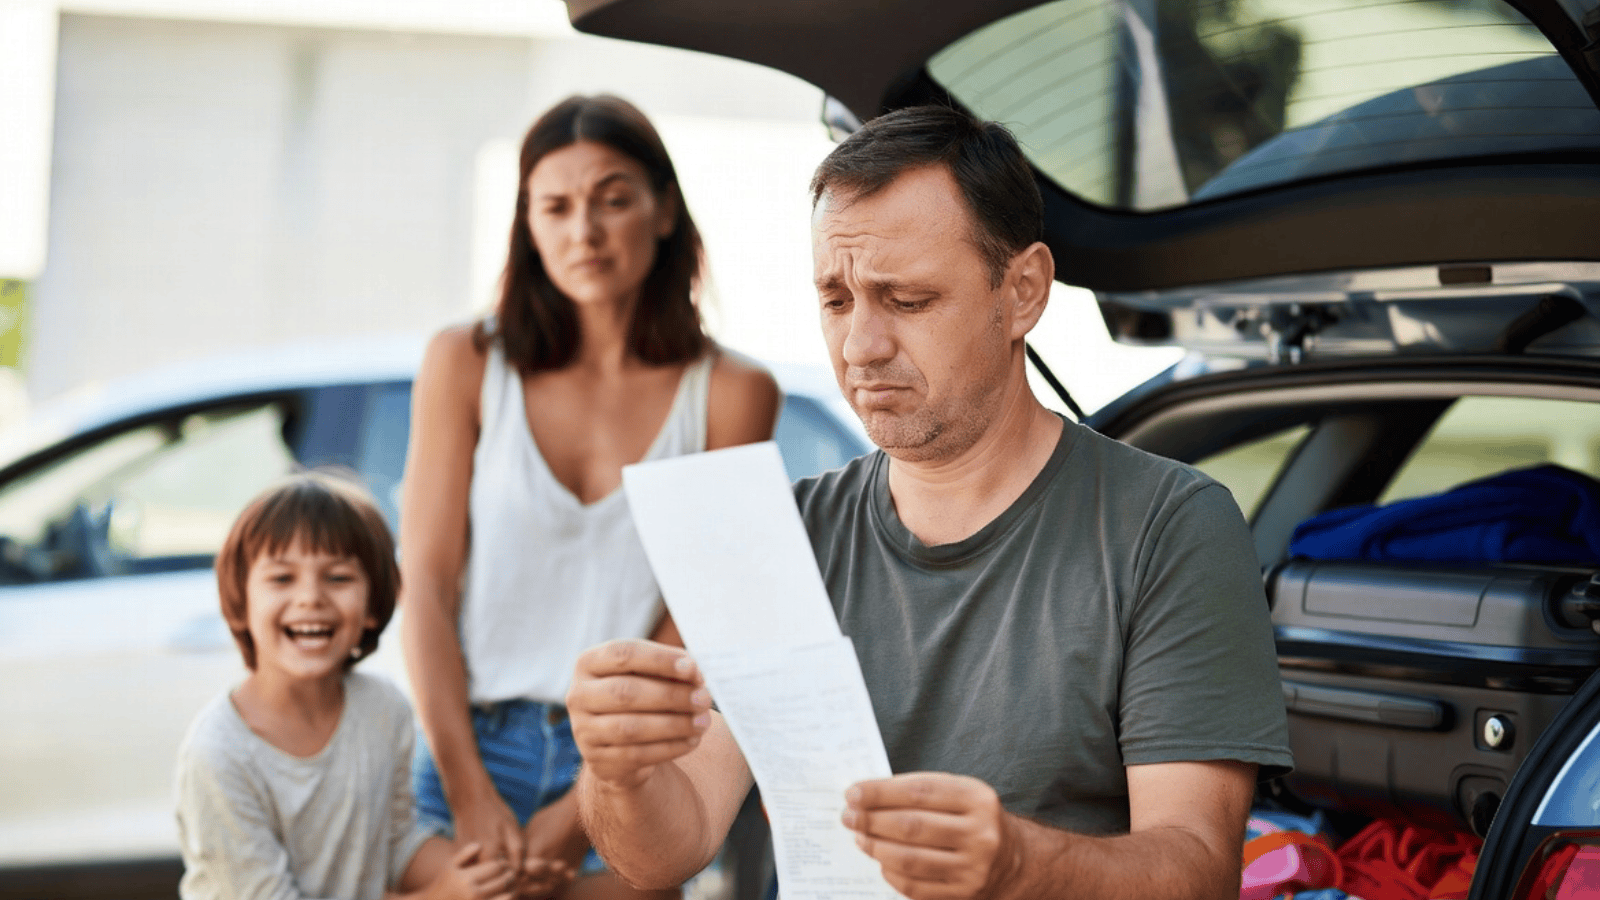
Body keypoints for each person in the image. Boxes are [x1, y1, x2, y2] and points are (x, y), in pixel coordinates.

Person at [565, 104, 1293, 900]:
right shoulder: (785, 535)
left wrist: (1021, 865)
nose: (860, 347)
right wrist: (616, 771)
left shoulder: (1169, 528)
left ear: (1022, 292)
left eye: (906, 300)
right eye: (836, 300)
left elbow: (1198, 866)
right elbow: (671, 846)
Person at [400, 94, 781, 900]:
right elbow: (426, 588)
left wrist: (579, 811)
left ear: (664, 210)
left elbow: (700, 620)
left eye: (613, 199)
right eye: (557, 205)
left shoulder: (733, 392)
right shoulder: (465, 362)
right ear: (527, 221)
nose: (585, 231)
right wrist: (471, 797)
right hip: (467, 747)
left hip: (631, 761)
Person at [175, 471, 514, 900]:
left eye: (337, 578)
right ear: (241, 602)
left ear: (373, 606)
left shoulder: (382, 709)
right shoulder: (219, 754)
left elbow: (394, 843)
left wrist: (488, 878)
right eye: (282, 579)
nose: (311, 597)